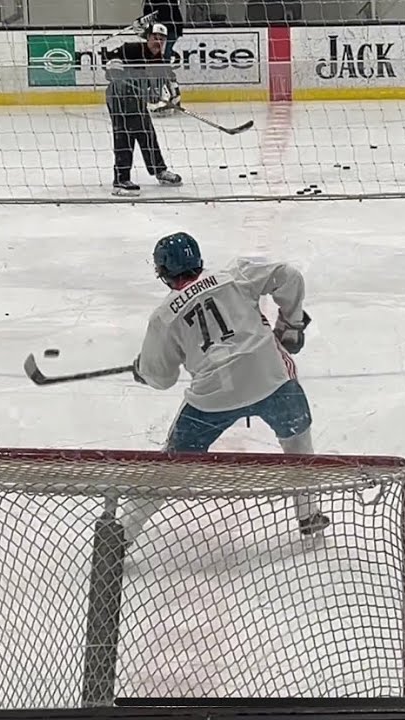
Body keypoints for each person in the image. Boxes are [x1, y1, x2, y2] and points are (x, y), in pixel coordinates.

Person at [121, 231, 328, 542]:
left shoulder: (163, 317)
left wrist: (145, 371)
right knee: (298, 442)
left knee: (171, 467)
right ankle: (308, 513)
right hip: (268, 379)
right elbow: (289, 276)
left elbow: (162, 378)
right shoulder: (234, 275)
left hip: (212, 398)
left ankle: (122, 532)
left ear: (162, 274)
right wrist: (291, 323)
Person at [104, 22, 181, 196]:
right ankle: (120, 180)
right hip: (118, 97)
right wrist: (113, 67)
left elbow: (156, 92)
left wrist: (163, 98)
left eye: (162, 39)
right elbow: (108, 62)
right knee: (124, 135)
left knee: (147, 132)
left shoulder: (160, 62)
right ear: (148, 38)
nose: (158, 41)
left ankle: (159, 170)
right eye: (155, 37)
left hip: (137, 100)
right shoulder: (131, 49)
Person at [141, 0, 182, 108]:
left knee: (161, 61)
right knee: (160, 62)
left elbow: (165, 14)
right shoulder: (148, 2)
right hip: (162, 32)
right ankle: (173, 93)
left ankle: (167, 95)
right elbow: (148, 18)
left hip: (170, 30)